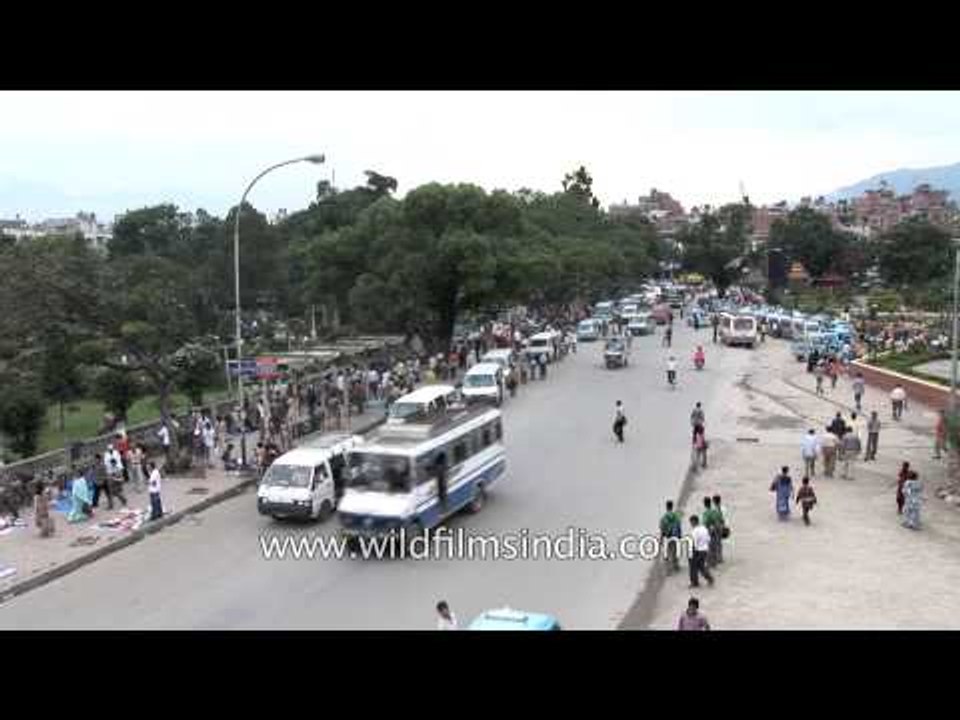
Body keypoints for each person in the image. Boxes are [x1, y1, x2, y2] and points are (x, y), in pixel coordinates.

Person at [688, 515, 714, 588]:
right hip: (705, 550)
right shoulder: (704, 528)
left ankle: (694, 582)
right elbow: (708, 539)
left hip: (697, 551)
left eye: (691, 522)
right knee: (701, 566)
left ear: (694, 522)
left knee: (693, 567)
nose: (691, 524)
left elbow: (694, 542)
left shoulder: (694, 531)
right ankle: (710, 578)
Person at [659, 500, 683, 574]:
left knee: (666, 553)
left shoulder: (663, 518)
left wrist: (661, 538)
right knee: (675, 552)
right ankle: (676, 566)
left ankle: (668, 570)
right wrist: (679, 536)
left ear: (666, 507)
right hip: (675, 536)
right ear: (672, 507)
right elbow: (679, 527)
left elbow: (662, 529)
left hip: (667, 536)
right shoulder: (676, 516)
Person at [702, 497, 721, 567]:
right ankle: (714, 562)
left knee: (708, 548)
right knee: (714, 547)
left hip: (708, 532)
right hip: (715, 531)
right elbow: (717, 522)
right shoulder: (714, 512)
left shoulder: (706, 513)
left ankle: (709, 563)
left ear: (704, 504)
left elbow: (705, 523)